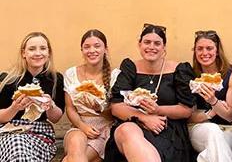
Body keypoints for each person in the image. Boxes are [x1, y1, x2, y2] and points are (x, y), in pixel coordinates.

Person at [104, 24, 195, 162]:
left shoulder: (179, 69)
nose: (151, 47)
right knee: (126, 130)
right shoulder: (130, 68)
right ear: (139, 44)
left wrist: (158, 110)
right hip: (134, 123)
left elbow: (186, 110)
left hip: (166, 129)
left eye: (157, 43)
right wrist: (144, 118)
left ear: (164, 47)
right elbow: (116, 107)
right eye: (147, 42)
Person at [0, 32, 65, 161]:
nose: (37, 53)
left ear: (48, 53)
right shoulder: (8, 79)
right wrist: (15, 107)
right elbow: (1, 118)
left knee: (21, 150)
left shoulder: (55, 79)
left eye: (42, 48)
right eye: (32, 49)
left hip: (40, 131)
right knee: (18, 144)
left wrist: (50, 105)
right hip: (10, 131)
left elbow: (56, 118)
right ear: (24, 53)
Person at [63, 29, 120, 162]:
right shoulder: (71, 73)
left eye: (97, 46)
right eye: (86, 47)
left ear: (105, 49)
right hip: (78, 124)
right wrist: (82, 126)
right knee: (76, 144)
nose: (92, 50)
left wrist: (97, 108)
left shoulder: (115, 76)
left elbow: (115, 113)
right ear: (82, 50)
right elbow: (70, 108)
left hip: (103, 130)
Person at [188, 30, 232, 162]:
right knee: (212, 130)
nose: (204, 53)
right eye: (200, 49)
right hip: (199, 128)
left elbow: (229, 116)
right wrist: (212, 112)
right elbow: (189, 117)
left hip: (227, 129)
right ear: (195, 52)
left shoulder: (231, 73)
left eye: (209, 48)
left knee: (213, 153)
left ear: (217, 51)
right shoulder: (190, 75)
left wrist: (213, 100)